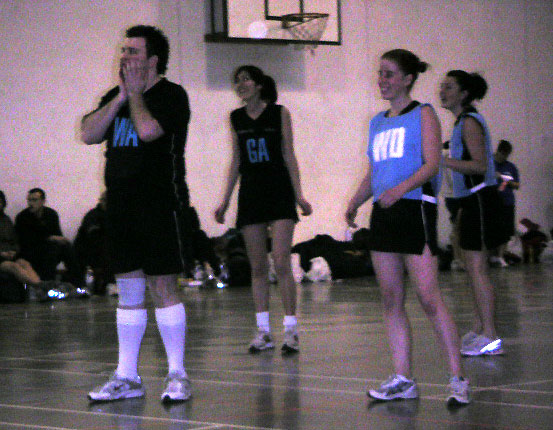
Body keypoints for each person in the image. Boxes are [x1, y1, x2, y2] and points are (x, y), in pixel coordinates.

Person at [345, 49, 470, 405]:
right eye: (380, 73)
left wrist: (399, 190)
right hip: (384, 214)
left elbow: (431, 164)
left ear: (407, 79)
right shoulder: (377, 122)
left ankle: (458, 378)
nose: (382, 80)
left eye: (389, 74)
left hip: (415, 210)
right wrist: (355, 202)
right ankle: (403, 378)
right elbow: (375, 172)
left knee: (429, 298)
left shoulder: (423, 113)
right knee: (391, 299)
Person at [81, 25, 192, 403]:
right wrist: (120, 98)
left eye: (133, 52)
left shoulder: (172, 96)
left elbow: (147, 131)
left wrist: (136, 95)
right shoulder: (116, 96)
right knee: (128, 290)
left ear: (153, 60)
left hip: (159, 204)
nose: (125, 57)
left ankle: (177, 374)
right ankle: (127, 376)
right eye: (124, 51)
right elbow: (88, 133)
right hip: (120, 205)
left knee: (163, 288)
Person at [214, 65, 312, 354]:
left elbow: (289, 155)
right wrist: (225, 200)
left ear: (259, 84)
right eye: (237, 80)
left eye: (246, 79)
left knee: (281, 260)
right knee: (257, 266)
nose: (240, 84)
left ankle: (291, 331)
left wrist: (299, 195)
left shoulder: (279, 113)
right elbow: (236, 160)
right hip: (251, 194)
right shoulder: (236, 117)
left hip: (279, 191)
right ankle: (263, 332)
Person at [440, 70, 504, 357]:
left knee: (478, 268)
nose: (442, 91)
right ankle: (480, 327)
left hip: (480, 200)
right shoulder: (460, 123)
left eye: (449, 87)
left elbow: (479, 165)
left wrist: (444, 161)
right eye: (442, 86)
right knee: (471, 266)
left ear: (464, 93)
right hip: (469, 201)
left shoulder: (469, 122)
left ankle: (490, 334)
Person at [14, 188, 83, 288]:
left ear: (43, 201)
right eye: (29, 200)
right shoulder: (22, 217)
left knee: (66, 247)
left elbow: (58, 235)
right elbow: (26, 240)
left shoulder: (51, 214)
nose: (31, 203)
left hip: (49, 249)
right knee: (53, 249)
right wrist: (49, 238)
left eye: (34, 200)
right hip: (30, 252)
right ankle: (48, 285)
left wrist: (61, 240)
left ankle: (78, 284)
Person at [0, 190, 47, 289]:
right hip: (1, 258)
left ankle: (39, 287)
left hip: (10, 254)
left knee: (24, 263)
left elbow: (15, 239)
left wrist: (14, 251)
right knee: (13, 266)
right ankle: (41, 286)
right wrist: (2, 253)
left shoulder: (6, 220)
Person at [74, 192, 114, 295]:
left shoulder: (114, 215)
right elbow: (93, 236)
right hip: (89, 249)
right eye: (104, 200)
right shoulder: (93, 216)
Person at [490, 140, 520, 267]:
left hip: (507, 201)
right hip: (492, 202)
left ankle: (501, 256)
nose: (504, 157)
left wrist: (505, 179)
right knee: (493, 229)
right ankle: (492, 255)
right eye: (503, 154)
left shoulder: (510, 167)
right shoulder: (489, 164)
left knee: (506, 231)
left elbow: (517, 185)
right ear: (498, 152)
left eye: (507, 155)